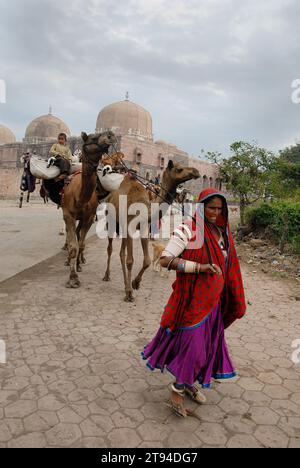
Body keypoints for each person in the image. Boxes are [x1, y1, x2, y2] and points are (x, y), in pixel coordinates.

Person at [142, 188, 246, 417]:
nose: (215, 212)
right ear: (201, 207)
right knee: (195, 350)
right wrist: (199, 267)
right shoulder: (188, 229)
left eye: (220, 208)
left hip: (214, 303)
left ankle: (188, 383)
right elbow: (165, 259)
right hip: (193, 304)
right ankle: (176, 393)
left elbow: (229, 266)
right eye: (211, 208)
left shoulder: (223, 232)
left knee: (207, 348)